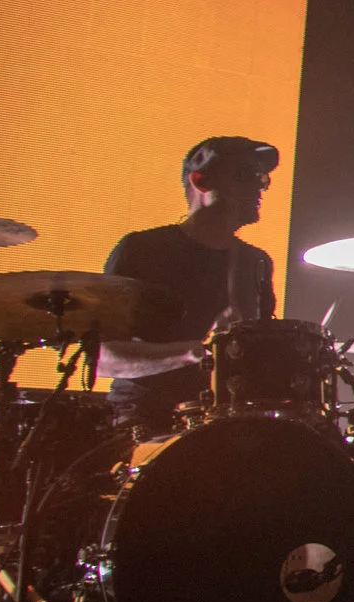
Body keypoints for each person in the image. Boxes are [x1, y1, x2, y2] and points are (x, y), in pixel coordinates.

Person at [98, 137, 281, 434]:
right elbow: (101, 360)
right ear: (201, 181)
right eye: (245, 175)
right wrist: (196, 351)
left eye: (262, 178)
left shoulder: (256, 262)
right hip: (147, 422)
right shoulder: (142, 250)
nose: (259, 186)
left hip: (227, 424)